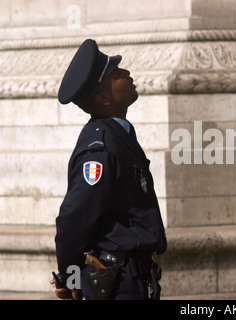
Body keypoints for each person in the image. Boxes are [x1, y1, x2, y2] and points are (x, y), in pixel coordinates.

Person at [52, 39, 167, 300]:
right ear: (104, 98)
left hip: (136, 279)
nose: (126, 73)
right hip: (118, 282)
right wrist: (69, 278)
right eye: (117, 74)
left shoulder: (120, 135)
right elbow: (74, 218)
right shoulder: (101, 149)